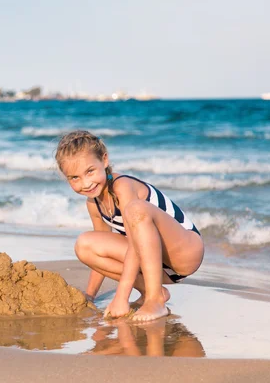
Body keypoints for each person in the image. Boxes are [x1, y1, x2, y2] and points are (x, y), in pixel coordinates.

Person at [55, 131, 204, 321]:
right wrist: (89, 296)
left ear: (105, 160)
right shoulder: (94, 203)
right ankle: (155, 292)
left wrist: (121, 297)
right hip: (157, 265)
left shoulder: (122, 186)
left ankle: (154, 302)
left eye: (90, 171)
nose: (86, 183)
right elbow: (103, 249)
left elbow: (135, 244)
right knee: (85, 245)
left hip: (184, 252)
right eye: (74, 178)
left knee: (135, 209)